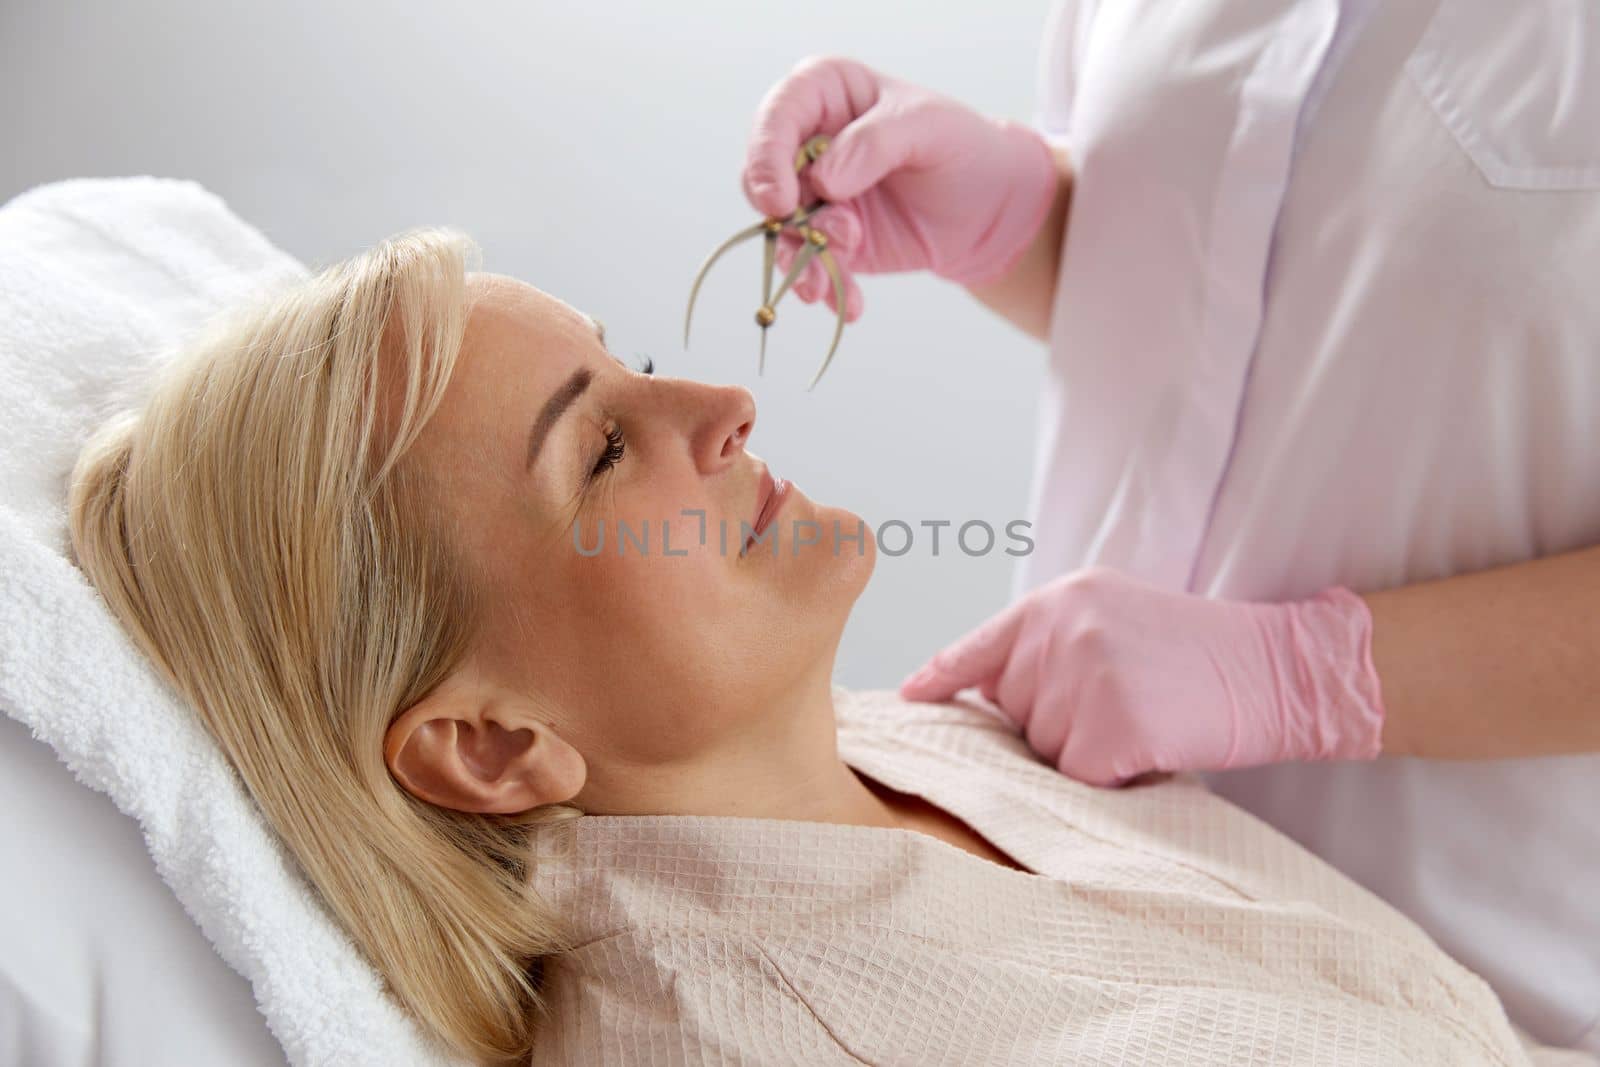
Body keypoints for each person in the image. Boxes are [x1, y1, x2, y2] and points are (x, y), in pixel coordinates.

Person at [66, 229, 1568, 1066]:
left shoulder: (919, 743)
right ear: (490, 740)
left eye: (634, 363)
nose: (721, 404)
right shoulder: (732, 1037)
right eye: (597, 450)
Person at [739, 0, 1600, 1053]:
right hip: (1093, 927)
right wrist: (1020, 216)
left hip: (1484, 1000)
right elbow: (1282, 320)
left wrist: (1294, 672)